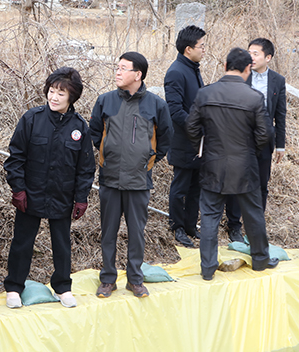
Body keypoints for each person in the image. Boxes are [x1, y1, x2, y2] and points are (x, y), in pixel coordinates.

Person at [3, 67, 95, 309]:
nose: (54, 97)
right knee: (22, 241)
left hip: (62, 195)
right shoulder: (32, 119)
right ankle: (14, 287)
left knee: (62, 243)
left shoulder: (79, 127)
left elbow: (85, 167)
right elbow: (15, 158)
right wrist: (18, 189)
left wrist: (81, 197)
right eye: (51, 91)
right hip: (31, 193)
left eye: (60, 94)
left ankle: (63, 287)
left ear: (71, 98)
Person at [186, 48, 276, 281]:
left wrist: (203, 148)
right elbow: (265, 134)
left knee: (209, 217)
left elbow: (191, 127)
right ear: (248, 69)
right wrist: (251, 151)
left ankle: (207, 268)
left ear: (225, 65)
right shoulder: (254, 97)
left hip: (213, 164)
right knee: (253, 215)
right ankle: (260, 260)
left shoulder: (205, 94)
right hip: (245, 166)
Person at [89, 52, 173, 299]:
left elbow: (165, 140)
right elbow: (95, 133)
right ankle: (108, 279)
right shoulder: (105, 101)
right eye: (117, 67)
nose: (117, 72)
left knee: (136, 232)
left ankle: (135, 279)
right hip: (110, 178)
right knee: (108, 231)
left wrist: (146, 161)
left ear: (138, 74)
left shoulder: (157, 105)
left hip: (138, 181)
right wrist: (107, 155)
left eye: (123, 68)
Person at [224, 38, 287, 241]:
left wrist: (280, 145)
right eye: (249, 52)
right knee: (237, 181)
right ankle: (234, 225)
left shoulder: (277, 80)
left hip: (265, 140)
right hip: (240, 139)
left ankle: (255, 224)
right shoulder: (241, 76)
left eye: (256, 53)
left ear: (268, 57)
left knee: (261, 183)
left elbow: (280, 114)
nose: (251, 57)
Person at [164, 25, 206, 249]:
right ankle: (177, 227)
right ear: (188, 49)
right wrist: (197, 127)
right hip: (183, 142)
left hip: (198, 143)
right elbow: (175, 111)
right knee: (180, 187)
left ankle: (190, 225)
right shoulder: (176, 72)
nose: (204, 50)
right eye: (201, 46)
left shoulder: (193, 68)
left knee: (195, 187)